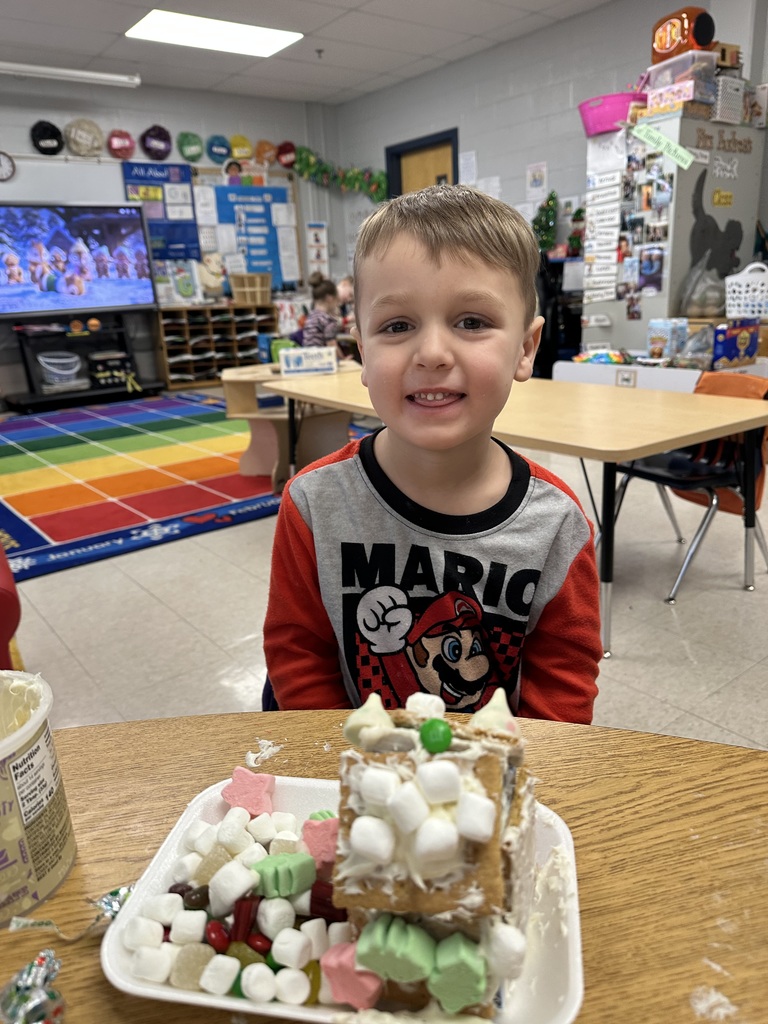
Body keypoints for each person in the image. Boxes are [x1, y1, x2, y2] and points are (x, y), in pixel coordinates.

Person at [264, 184, 602, 722]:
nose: (433, 354)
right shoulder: (313, 504)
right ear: (362, 353)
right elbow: (298, 654)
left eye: (472, 322)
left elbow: (563, 681)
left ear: (526, 347)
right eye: (397, 326)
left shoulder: (557, 525)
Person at [301, 277, 342, 349]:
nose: (337, 304)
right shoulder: (327, 320)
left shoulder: (310, 316)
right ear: (329, 298)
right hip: (320, 356)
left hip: (307, 355)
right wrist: (343, 358)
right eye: (336, 300)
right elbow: (332, 346)